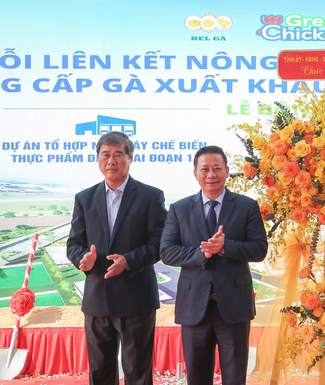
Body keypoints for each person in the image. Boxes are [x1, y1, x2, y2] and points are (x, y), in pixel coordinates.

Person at [160, 145, 268, 385]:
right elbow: (167, 252)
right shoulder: (179, 209)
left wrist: (225, 247)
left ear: (227, 171)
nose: (211, 175)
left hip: (233, 306)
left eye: (217, 168)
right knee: (197, 379)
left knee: (234, 378)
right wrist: (203, 254)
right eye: (205, 169)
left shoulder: (246, 206)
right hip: (194, 308)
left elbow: (259, 249)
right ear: (195, 173)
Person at [66, 131, 167, 385]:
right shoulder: (84, 198)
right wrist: (83, 259)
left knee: (137, 373)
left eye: (118, 154)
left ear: (130, 157)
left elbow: (159, 244)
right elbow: (74, 243)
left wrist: (129, 260)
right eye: (105, 155)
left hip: (136, 300)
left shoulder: (150, 196)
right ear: (98, 159)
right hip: (97, 299)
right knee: (100, 373)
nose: (111, 160)